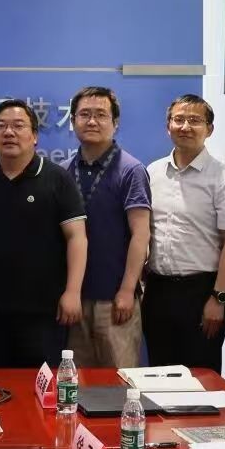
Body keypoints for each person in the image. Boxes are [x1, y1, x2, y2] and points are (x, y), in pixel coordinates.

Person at [0, 100, 87, 368]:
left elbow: (77, 238)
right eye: (1, 126)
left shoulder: (57, 178)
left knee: (40, 385)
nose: (9, 132)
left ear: (34, 136)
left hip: (44, 311)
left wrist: (73, 292)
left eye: (18, 126)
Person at [143, 95, 225, 372]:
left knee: (202, 379)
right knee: (159, 374)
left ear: (209, 129)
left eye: (195, 120)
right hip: (158, 291)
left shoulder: (224, 177)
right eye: (178, 119)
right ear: (168, 126)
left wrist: (219, 298)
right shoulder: (153, 172)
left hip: (202, 292)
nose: (185, 126)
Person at [63, 86, 151, 368]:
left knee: (120, 382)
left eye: (100, 115)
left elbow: (141, 235)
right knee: (76, 383)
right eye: (84, 114)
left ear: (115, 122)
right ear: (72, 121)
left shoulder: (131, 170)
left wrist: (127, 290)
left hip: (115, 300)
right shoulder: (63, 170)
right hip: (74, 300)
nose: (92, 121)